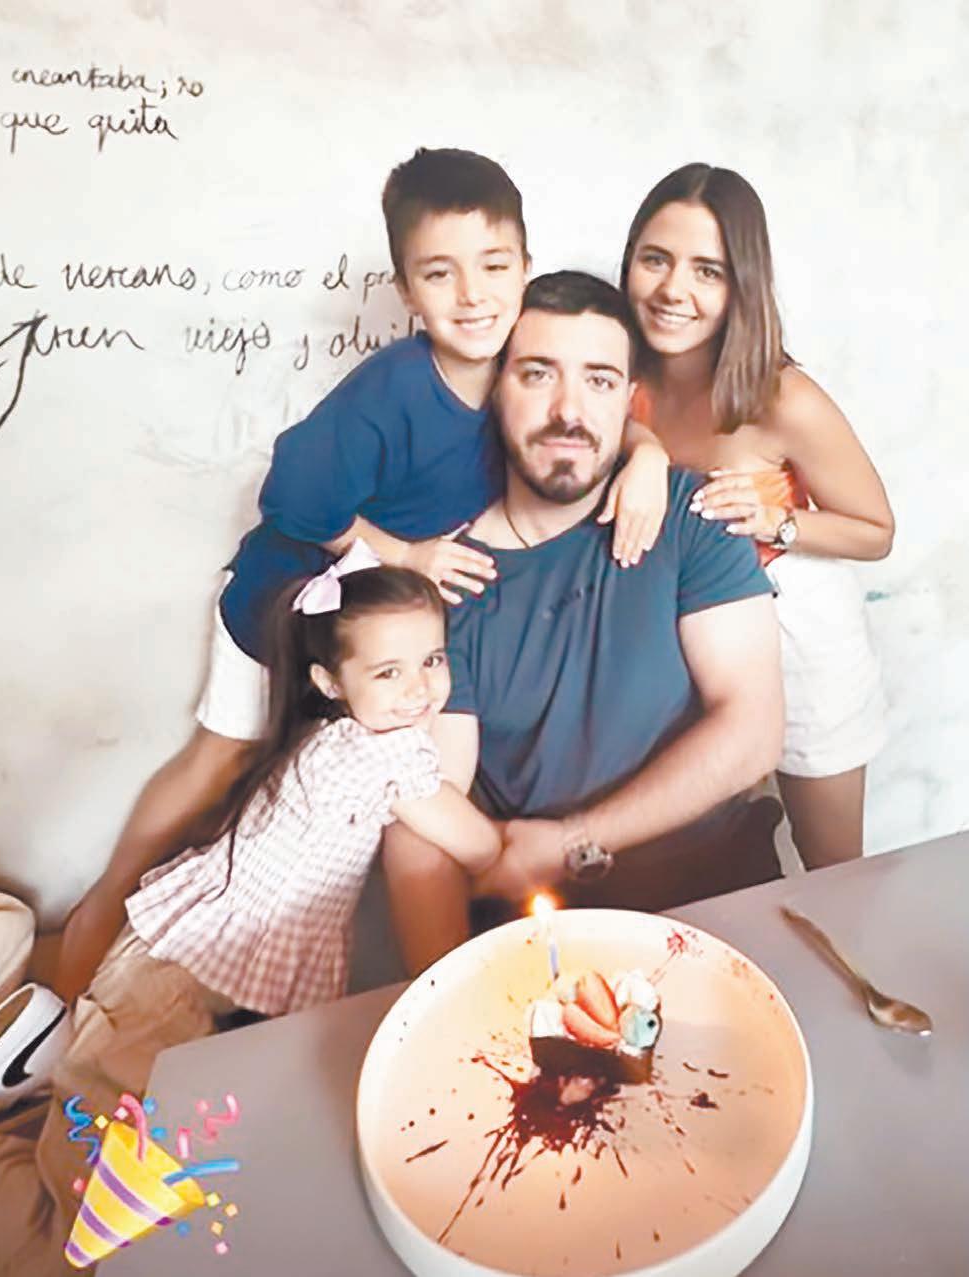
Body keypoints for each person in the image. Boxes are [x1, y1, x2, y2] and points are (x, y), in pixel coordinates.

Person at [55, 147, 668, 1000]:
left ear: (525, 268)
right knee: (221, 762)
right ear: (407, 291)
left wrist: (649, 452)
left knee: (311, 793)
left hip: (363, 626)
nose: (473, 295)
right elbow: (290, 496)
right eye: (441, 274)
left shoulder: (511, 367)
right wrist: (408, 553)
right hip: (280, 599)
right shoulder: (392, 390)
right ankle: (101, 910)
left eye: (494, 267)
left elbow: (578, 407)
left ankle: (224, 965)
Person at [0, 553, 500, 1275]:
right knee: (96, 1197)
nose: (420, 689)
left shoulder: (340, 734)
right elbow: (480, 842)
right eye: (389, 672)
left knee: (132, 1173)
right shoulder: (373, 756)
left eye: (433, 660)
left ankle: (1, 1134)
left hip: (208, 976)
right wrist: (532, 850)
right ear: (331, 681)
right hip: (176, 977)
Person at [382, 270, 785, 976]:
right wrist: (442, 1003)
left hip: (722, 904)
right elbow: (426, 808)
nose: (568, 411)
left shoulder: (693, 516)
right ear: (494, 388)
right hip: (549, 946)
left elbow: (752, 731)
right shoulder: (448, 579)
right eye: (538, 374)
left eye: (598, 381)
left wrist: (575, 838)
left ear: (630, 402)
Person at [620, 163, 894, 869]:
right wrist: (642, 448)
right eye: (656, 259)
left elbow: (876, 530)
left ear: (741, 283)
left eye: (707, 271)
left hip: (800, 643)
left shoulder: (782, 396)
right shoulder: (616, 375)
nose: (673, 289)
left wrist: (779, 522)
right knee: (709, 864)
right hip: (679, 649)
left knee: (831, 868)